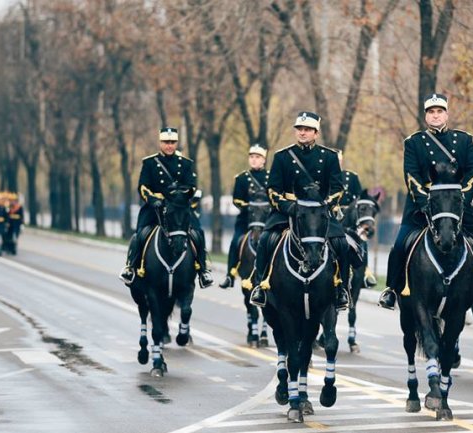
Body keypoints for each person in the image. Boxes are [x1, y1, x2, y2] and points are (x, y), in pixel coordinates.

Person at [377, 93, 473, 316]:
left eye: (439, 111)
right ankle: (392, 290)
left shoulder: (464, 140)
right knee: (399, 246)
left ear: (447, 114)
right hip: (421, 206)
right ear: (426, 116)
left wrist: (460, 199)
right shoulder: (414, 142)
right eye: (431, 112)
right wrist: (425, 202)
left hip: (456, 206)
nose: (435, 116)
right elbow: (411, 176)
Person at [249, 111, 357, 310]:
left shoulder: (329, 157)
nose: (303, 133)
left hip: (319, 212)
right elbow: (273, 189)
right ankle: (260, 285)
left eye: (307, 130)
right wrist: (288, 206)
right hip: (288, 210)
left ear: (316, 133)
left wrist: (325, 205)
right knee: (266, 240)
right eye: (300, 129)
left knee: (341, 243)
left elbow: (338, 188)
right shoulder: (282, 156)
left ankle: (341, 288)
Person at [119, 126, 213, 288]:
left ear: (176, 143)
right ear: (160, 143)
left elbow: (191, 185)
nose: (169, 145)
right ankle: (131, 267)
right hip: (155, 208)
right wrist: (153, 199)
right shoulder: (150, 163)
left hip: (179, 208)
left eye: (172, 142)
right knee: (140, 234)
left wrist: (180, 195)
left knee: (197, 233)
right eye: (166, 142)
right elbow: (143, 186)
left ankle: (203, 270)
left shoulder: (185, 164)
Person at [219, 144, 269, 288]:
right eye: (252, 157)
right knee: (235, 242)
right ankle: (230, 275)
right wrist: (251, 207)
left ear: (264, 160)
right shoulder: (241, 178)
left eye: (257, 157)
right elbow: (236, 200)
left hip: (266, 219)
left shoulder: (270, 177)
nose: (254, 160)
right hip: (246, 219)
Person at [336, 151, 377, 287]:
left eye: (339, 160)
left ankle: (366, 273)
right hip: (331, 215)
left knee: (361, 239)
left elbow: (359, 199)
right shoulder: (324, 176)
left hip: (349, 217)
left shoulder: (351, 176)